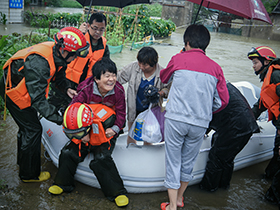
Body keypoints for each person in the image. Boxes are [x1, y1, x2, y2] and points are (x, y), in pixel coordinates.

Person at [0, 27, 89, 182]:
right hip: (13, 90)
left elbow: (59, 77)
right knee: (33, 129)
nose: (75, 58)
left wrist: (67, 88)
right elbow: (38, 101)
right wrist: (63, 120)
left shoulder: (58, 55)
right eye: (74, 54)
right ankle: (29, 175)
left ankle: (23, 163)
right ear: (64, 50)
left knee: (27, 128)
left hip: (23, 85)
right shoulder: (39, 64)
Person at [159, 24, 229, 210]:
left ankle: (172, 205)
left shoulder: (178, 59)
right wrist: (205, 111)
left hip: (176, 119)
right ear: (206, 44)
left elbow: (164, 77)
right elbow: (223, 101)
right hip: (200, 123)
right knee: (188, 161)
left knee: (173, 161)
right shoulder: (216, 68)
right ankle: (181, 199)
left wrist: (180, 56)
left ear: (186, 42)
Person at [48, 57, 129, 207]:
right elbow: (72, 112)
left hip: (106, 129)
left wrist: (116, 129)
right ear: (97, 79)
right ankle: (63, 184)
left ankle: (117, 192)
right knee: (68, 153)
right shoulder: (85, 89)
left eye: (113, 75)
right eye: (107, 76)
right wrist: (81, 134)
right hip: (86, 128)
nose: (112, 79)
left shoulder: (118, 90)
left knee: (102, 157)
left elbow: (122, 114)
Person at [199, 82, 260, 192]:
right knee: (227, 159)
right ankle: (223, 189)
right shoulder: (223, 85)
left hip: (235, 127)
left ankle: (208, 189)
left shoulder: (211, 90)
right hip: (247, 125)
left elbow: (207, 113)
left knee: (216, 158)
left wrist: (202, 131)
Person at [48, 12, 110, 112]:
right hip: (65, 81)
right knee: (52, 108)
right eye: (95, 28)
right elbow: (62, 44)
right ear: (88, 25)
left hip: (83, 87)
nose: (98, 32)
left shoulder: (104, 46)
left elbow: (106, 67)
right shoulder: (78, 38)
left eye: (101, 29)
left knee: (74, 113)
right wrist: (79, 32)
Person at [247, 46, 280, 206]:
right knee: (275, 161)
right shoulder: (270, 77)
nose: (253, 66)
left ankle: (270, 200)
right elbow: (260, 105)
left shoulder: (276, 75)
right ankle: (267, 182)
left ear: (266, 61)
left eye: (255, 62)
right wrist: (247, 119)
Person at [117, 46, 170, 145]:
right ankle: (131, 146)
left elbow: (168, 89)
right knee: (131, 133)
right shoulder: (133, 67)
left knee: (148, 135)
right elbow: (119, 78)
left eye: (145, 65)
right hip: (134, 106)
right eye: (139, 63)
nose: (141, 67)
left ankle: (146, 149)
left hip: (151, 110)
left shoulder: (162, 73)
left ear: (154, 63)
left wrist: (160, 93)